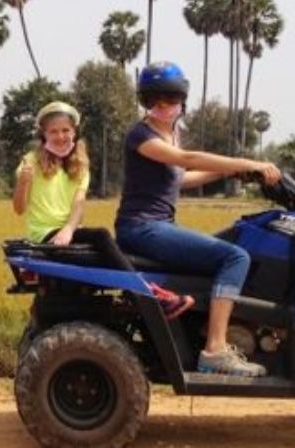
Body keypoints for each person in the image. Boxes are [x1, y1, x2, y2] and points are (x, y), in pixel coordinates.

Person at [114, 62, 281, 377]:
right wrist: (249, 162)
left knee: (236, 241)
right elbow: (186, 160)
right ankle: (215, 349)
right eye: (154, 100)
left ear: (182, 100)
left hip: (158, 226)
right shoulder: (141, 134)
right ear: (145, 101)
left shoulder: (172, 133)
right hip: (141, 228)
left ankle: (206, 327)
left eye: (170, 99)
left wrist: (234, 171)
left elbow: (180, 178)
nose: (162, 106)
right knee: (235, 257)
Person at [14, 101, 193, 320]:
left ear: (74, 132)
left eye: (65, 130)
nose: (60, 136)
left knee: (115, 250)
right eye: (54, 131)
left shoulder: (80, 164)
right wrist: (23, 182)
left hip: (67, 233)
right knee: (101, 235)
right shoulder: (31, 161)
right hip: (46, 234)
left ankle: (133, 297)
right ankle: (150, 296)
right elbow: (19, 208)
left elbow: (79, 204)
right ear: (44, 134)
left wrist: (69, 230)